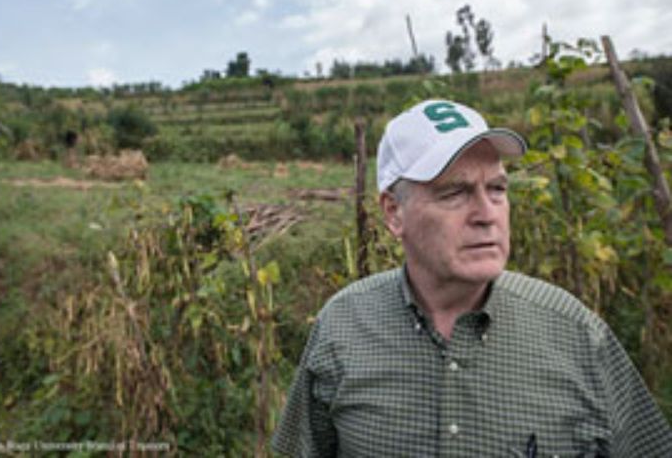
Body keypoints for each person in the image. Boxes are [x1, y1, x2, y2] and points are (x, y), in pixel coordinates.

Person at [272, 99, 672, 457]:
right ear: (394, 213)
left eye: (497, 189)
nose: (487, 214)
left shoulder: (577, 334)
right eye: (455, 193)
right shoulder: (342, 327)